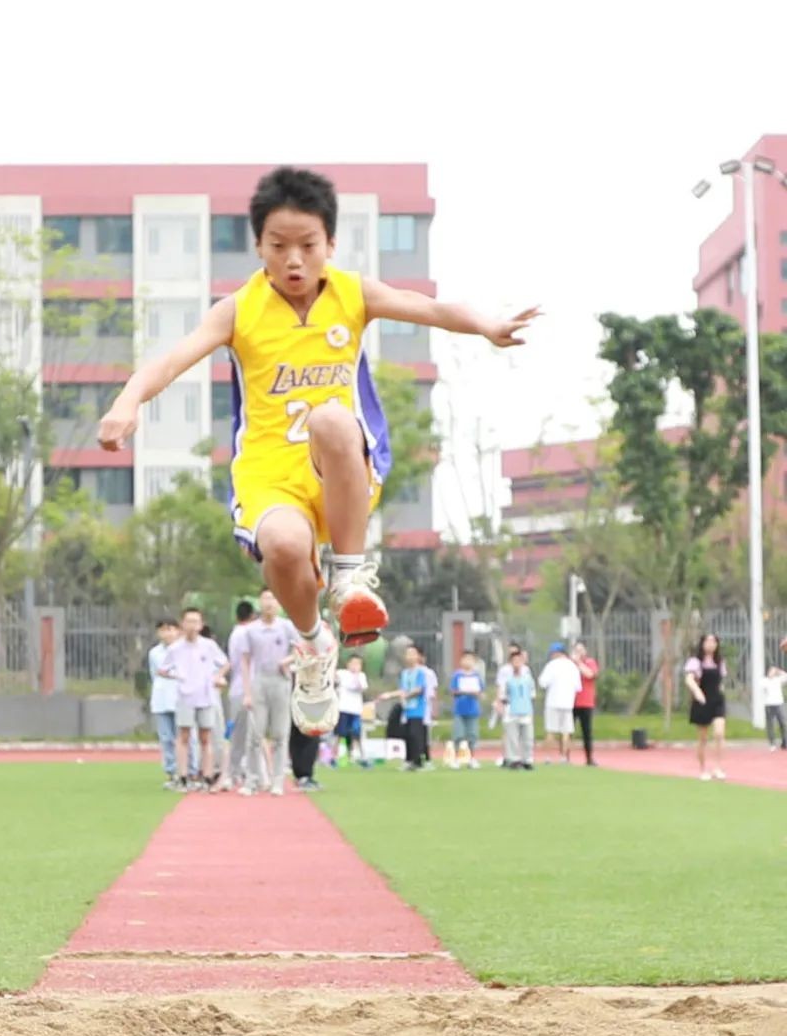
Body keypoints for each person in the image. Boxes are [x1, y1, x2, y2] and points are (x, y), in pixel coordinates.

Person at [98, 166, 537, 739]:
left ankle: (350, 577)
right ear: (259, 246)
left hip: (340, 466)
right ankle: (313, 645)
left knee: (331, 417)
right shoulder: (238, 311)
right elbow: (172, 358)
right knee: (282, 547)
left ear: (330, 244)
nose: (294, 260)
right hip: (268, 476)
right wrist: (128, 402)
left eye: (308, 246)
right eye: (279, 247)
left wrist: (487, 324)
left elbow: (430, 308)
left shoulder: (353, 294)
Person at [162, 608, 230, 791]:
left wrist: (217, 677)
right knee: (183, 736)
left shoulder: (208, 645)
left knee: (205, 737)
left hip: (205, 696)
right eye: (188, 621)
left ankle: (206, 776)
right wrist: (176, 676)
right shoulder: (175, 648)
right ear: (183, 624)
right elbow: (163, 669)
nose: (192, 626)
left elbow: (225, 663)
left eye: (195, 622)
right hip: (185, 696)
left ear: (201, 625)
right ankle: (183, 776)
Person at [242, 589, 295, 795]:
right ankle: (252, 779)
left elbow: (302, 649)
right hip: (260, 681)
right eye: (265, 598)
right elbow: (245, 661)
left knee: (280, 734)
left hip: (281, 680)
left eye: (273, 598)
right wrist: (247, 692)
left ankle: (278, 780)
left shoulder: (287, 627)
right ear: (259, 602)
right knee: (255, 733)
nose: (269, 603)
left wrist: (287, 661)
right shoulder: (251, 630)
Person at [222, 599, 260, 790]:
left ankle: (239, 772)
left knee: (243, 734)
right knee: (242, 735)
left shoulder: (235, 633)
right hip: (244, 689)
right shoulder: (245, 633)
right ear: (251, 617)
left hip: (240, 688)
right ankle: (234, 772)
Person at [380, 644, 433, 771]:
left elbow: (419, 689)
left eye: (413, 654)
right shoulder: (404, 673)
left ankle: (419, 761)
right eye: (408, 654)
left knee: (416, 735)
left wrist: (407, 695)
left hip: (418, 709)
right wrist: (389, 695)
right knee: (407, 735)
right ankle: (409, 760)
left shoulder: (421, 673)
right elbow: (403, 690)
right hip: (407, 710)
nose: (410, 656)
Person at [684, 633, 728, 781]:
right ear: (702, 644)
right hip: (702, 701)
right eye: (708, 641)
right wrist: (697, 693)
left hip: (717, 700)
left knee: (719, 733)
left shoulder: (720, 662)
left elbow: (721, 680)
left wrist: (721, 692)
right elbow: (689, 679)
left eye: (714, 641)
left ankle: (718, 767)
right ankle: (702, 769)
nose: (711, 644)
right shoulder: (695, 661)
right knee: (702, 738)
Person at [148, 618, 182, 788]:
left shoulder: (184, 650)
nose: (167, 633)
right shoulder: (154, 653)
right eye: (163, 630)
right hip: (161, 700)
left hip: (181, 699)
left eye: (170, 629)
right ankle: (171, 772)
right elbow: (155, 674)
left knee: (185, 739)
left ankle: (188, 771)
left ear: (178, 631)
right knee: (166, 738)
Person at [538, 643, 582, 764]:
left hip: (553, 702)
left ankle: (548, 757)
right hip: (568, 703)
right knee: (566, 731)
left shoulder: (551, 666)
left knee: (551, 730)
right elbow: (578, 687)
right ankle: (563, 757)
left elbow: (543, 682)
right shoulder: (572, 666)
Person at [499, 646, 536, 770]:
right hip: (512, 710)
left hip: (525, 710)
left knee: (528, 737)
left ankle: (527, 759)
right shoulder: (507, 677)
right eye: (515, 661)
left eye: (519, 660)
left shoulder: (527, 677)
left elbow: (532, 693)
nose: (517, 663)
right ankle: (513, 759)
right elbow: (502, 693)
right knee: (512, 737)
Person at [448, 651, 484, 768]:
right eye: (465, 659)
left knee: (472, 735)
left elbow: (481, 692)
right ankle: (457, 758)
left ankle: (472, 759)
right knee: (458, 734)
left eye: (470, 659)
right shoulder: (457, 675)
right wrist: (463, 691)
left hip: (473, 710)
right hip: (459, 710)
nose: (467, 662)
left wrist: (476, 693)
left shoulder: (476, 676)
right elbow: (453, 691)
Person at [335, 654, 371, 767]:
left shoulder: (361, 676)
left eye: (358, 664)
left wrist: (356, 675)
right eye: (353, 663)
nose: (355, 666)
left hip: (355, 710)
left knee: (356, 733)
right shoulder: (342, 674)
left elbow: (361, 687)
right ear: (348, 664)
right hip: (343, 708)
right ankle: (333, 757)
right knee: (340, 734)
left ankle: (361, 757)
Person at [493, 640, 522, 766]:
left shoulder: (525, 670)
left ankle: (519, 756)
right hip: (508, 703)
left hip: (521, 704)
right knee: (507, 731)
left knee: (520, 731)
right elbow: (500, 686)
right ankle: (507, 756)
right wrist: (498, 701)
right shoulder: (504, 670)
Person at [572, 640, 599, 766]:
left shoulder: (590, 662)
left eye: (581, 650)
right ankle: (565, 756)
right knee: (568, 730)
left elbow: (590, 674)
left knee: (587, 731)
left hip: (586, 702)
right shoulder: (569, 665)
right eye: (576, 650)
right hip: (571, 701)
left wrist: (578, 663)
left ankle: (589, 758)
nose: (579, 653)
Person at [762, 662, 787, 751]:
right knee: (770, 724)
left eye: (773, 670)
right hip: (769, 704)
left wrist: (778, 671)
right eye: (771, 670)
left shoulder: (778, 679)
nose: (772, 672)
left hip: (779, 704)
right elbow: (761, 687)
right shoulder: (764, 680)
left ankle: (785, 742)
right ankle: (772, 743)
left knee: (783, 723)